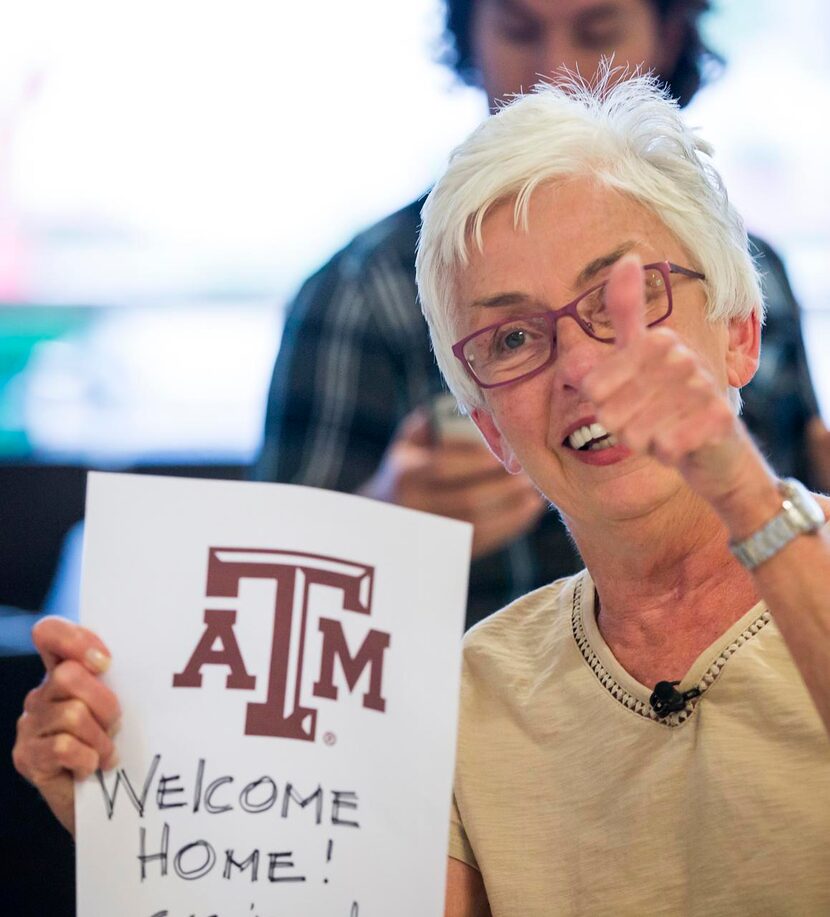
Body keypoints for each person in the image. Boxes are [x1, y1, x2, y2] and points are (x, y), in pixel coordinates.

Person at [255, 0, 828, 632]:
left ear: (740, 331)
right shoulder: (361, 293)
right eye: (515, 338)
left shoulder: (755, 269)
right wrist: (386, 524)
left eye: (597, 33)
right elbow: (265, 599)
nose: (556, 74)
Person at [412, 70, 830, 914]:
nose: (583, 368)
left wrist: (741, 488)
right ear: (492, 428)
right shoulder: (470, 694)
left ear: (740, 335)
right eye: (516, 336)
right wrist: (129, 801)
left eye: (623, 299)